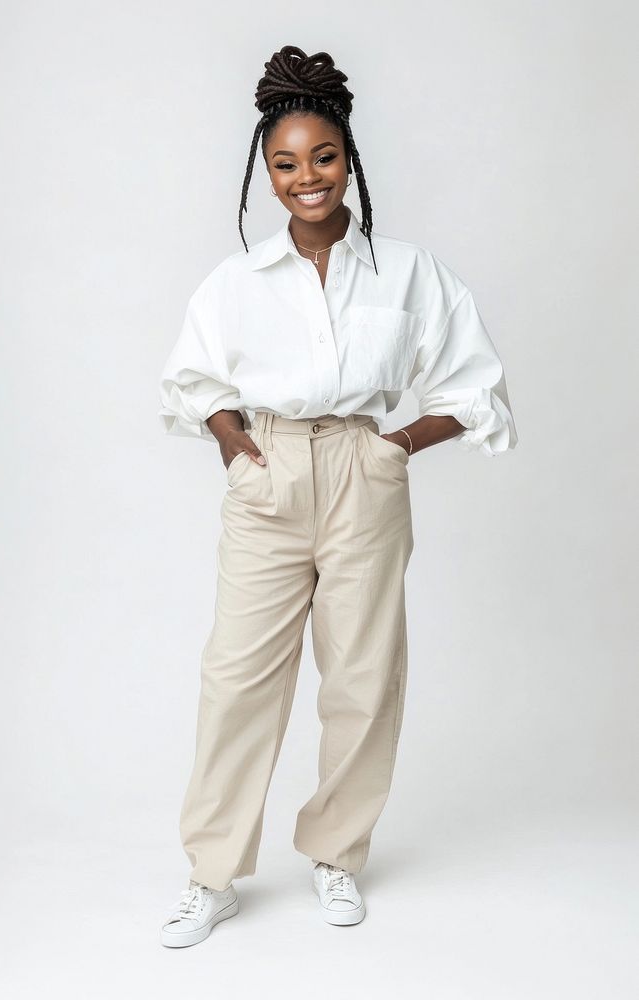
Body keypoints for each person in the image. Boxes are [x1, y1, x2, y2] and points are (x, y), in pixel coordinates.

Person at [157, 44, 518, 948]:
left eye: (321, 157)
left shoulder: (406, 272)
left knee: (361, 679)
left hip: (364, 475)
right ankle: (211, 875)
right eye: (284, 163)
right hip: (270, 478)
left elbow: (474, 385)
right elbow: (194, 384)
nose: (304, 178)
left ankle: (336, 855)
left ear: (347, 157)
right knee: (236, 679)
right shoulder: (236, 281)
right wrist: (241, 451)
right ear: (265, 173)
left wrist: (393, 446)